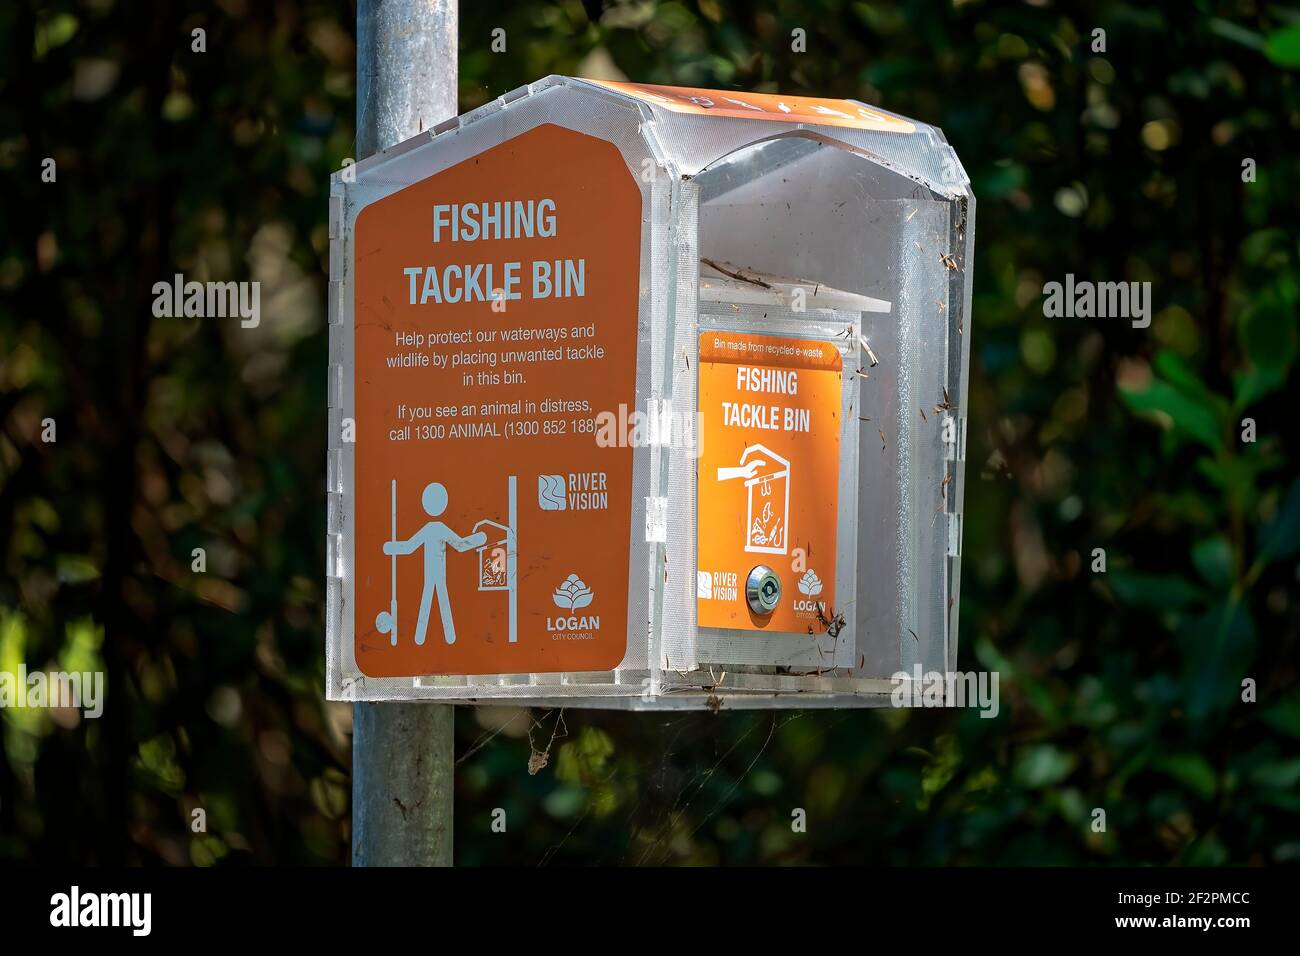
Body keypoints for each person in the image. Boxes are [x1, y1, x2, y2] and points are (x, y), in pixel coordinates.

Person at [383, 482, 486, 646]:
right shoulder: (435, 528)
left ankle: (430, 638)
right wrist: (390, 548)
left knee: (433, 599)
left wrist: (391, 548)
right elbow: (458, 545)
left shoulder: (434, 528)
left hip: (437, 573)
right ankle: (432, 638)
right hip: (433, 573)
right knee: (436, 599)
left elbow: (411, 547)